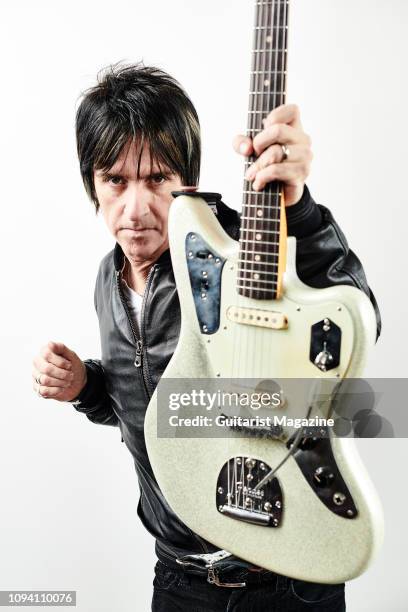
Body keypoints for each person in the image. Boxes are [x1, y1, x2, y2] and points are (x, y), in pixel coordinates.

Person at [32, 63, 381, 611]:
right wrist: (86, 387)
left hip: (285, 578)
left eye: (157, 179)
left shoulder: (237, 255)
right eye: (116, 180)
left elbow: (352, 316)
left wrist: (302, 211)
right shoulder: (109, 277)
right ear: (92, 185)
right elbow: (148, 407)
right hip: (179, 581)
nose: (136, 208)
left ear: (187, 180)